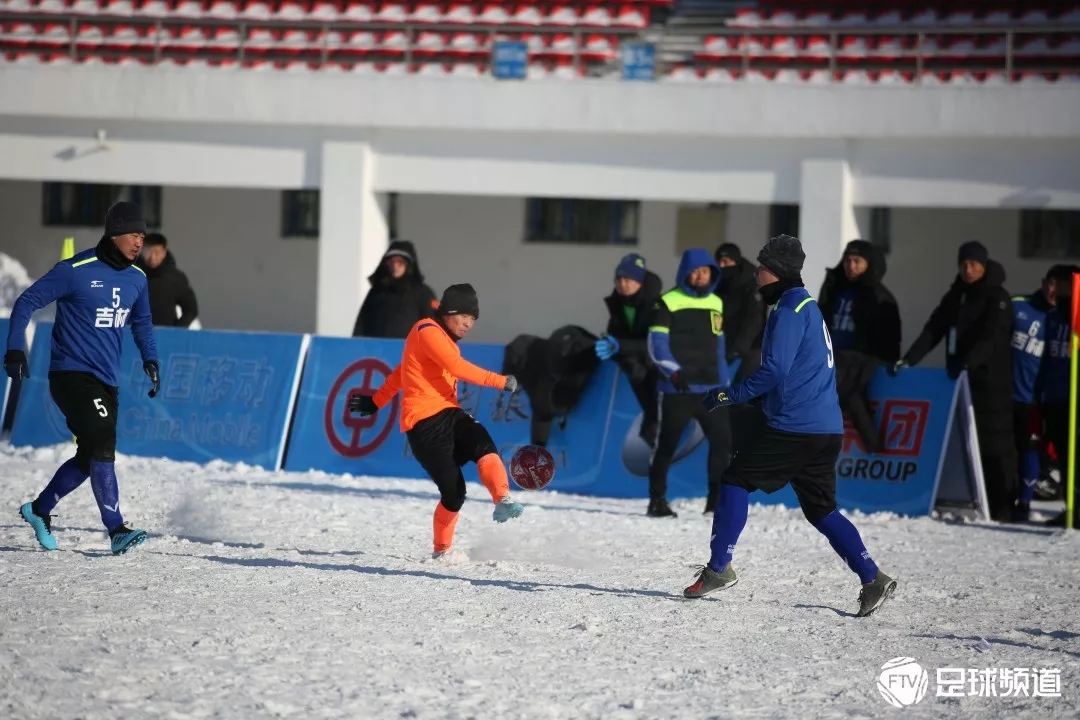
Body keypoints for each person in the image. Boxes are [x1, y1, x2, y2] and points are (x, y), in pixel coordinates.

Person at [685, 235, 896, 618]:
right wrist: (762, 401)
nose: (756, 276)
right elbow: (798, 373)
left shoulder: (787, 310)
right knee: (821, 510)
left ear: (778, 272)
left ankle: (719, 569)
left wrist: (730, 395)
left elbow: (775, 370)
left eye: (761, 268)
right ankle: (872, 577)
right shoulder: (807, 306)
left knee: (734, 480)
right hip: (824, 428)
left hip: (796, 428)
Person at [4, 201, 159, 555]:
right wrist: (15, 348)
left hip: (107, 380)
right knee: (103, 441)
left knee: (91, 453)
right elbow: (27, 301)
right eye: (133, 234)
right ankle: (116, 529)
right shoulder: (76, 270)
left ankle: (39, 510)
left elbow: (143, 321)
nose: (139, 242)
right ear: (115, 234)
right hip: (70, 374)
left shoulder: (138, 278)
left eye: (142, 236)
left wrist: (150, 358)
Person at [348, 283, 525, 559]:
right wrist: (500, 381)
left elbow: (400, 373)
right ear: (449, 312)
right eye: (464, 316)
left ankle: (502, 499)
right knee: (454, 494)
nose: (468, 324)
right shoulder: (426, 330)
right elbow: (456, 368)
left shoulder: (444, 339)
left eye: (473, 320)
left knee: (483, 444)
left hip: (449, 413)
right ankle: (441, 551)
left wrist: (376, 401)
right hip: (423, 425)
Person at [893, 241, 1016, 522]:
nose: (968, 269)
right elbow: (934, 328)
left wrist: (970, 361)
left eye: (973, 264)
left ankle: (1005, 507)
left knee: (995, 447)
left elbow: (992, 337)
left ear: (984, 266)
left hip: (990, 385)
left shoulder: (998, 297)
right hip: (959, 382)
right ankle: (969, 500)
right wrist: (910, 359)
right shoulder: (956, 295)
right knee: (964, 443)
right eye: (964, 265)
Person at [646, 248, 733, 517]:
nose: (699, 276)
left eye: (705, 271)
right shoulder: (667, 302)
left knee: (723, 443)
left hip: (711, 388)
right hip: (677, 388)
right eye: (695, 271)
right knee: (667, 446)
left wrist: (725, 385)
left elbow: (719, 347)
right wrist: (674, 372)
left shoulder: (716, 303)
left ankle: (715, 501)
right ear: (685, 272)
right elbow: (656, 344)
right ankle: (657, 500)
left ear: (712, 274)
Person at [1008, 266, 1064, 520]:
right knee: (1005, 450)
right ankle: (1003, 500)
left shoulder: (1060, 319)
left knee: (1030, 448)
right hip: (1005, 394)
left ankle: (1026, 502)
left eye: (1060, 286)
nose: (1054, 290)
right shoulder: (1018, 305)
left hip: (1035, 398)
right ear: (1043, 283)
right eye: (1051, 283)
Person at [595, 253, 663, 447]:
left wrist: (620, 346)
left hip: (655, 359)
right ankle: (652, 430)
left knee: (654, 394)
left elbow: (656, 343)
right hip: (632, 361)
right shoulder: (617, 303)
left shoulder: (656, 305)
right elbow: (614, 333)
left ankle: (655, 430)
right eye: (619, 279)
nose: (623, 284)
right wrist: (610, 345)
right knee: (634, 368)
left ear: (640, 282)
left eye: (628, 279)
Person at [1039, 265, 1080, 528]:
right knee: (1064, 459)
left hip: (1075, 399)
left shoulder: (1075, 318)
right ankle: (1070, 508)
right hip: (1055, 399)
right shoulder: (1052, 318)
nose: (1055, 289)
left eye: (1062, 284)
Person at [817, 240, 901, 364]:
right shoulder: (832, 291)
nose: (851, 266)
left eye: (857, 261)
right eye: (847, 261)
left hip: (859, 371)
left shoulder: (880, 298)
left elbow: (889, 346)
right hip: (828, 364)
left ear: (868, 264)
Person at [352, 240, 438, 339]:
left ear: (408, 265)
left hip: (410, 351)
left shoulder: (424, 293)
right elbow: (361, 325)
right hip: (378, 352)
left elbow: (433, 327)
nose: (395, 266)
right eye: (391, 262)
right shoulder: (376, 292)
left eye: (400, 262)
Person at [714, 243, 765, 382]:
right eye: (719, 262)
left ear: (735, 261)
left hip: (748, 351)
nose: (722, 266)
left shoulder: (751, 284)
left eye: (726, 262)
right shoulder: (717, 283)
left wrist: (738, 350)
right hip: (724, 350)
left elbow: (754, 320)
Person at [137, 232, 199, 327]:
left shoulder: (176, 278)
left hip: (165, 335)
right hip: (133, 334)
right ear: (142, 250)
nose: (152, 257)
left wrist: (177, 331)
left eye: (157, 252)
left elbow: (191, 310)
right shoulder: (131, 275)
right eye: (148, 252)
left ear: (164, 252)